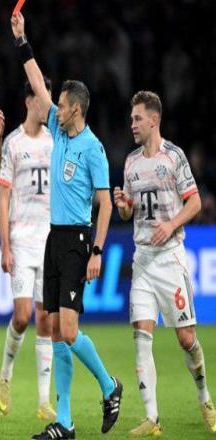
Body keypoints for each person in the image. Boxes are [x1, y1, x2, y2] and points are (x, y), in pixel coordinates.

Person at [10, 12, 123, 440]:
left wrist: (96, 251)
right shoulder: (59, 131)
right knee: (55, 330)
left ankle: (110, 386)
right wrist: (23, 42)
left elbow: (105, 204)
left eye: (61, 103)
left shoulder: (93, 148)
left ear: (75, 107)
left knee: (70, 332)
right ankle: (66, 422)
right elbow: (37, 85)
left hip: (77, 240)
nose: (53, 107)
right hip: (53, 239)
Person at [114, 90, 216, 436]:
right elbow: (128, 211)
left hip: (170, 259)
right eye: (131, 119)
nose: (132, 124)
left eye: (137, 118)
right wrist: (123, 206)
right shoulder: (130, 162)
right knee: (141, 335)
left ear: (154, 119)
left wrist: (171, 225)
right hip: (142, 259)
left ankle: (204, 397)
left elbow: (195, 202)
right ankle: (152, 417)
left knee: (186, 339)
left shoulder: (174, 157)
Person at [0, 78, 55, 421]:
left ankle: (44, 400)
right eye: (42, 97)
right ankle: (5, 373)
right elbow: (3, 196)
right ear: (29, 101)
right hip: (21, 240)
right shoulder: (14, 143)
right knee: (22, 316)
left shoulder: (54, 140)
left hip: (49, 241)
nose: (48, 104)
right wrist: (5, 246)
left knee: (45, 318)